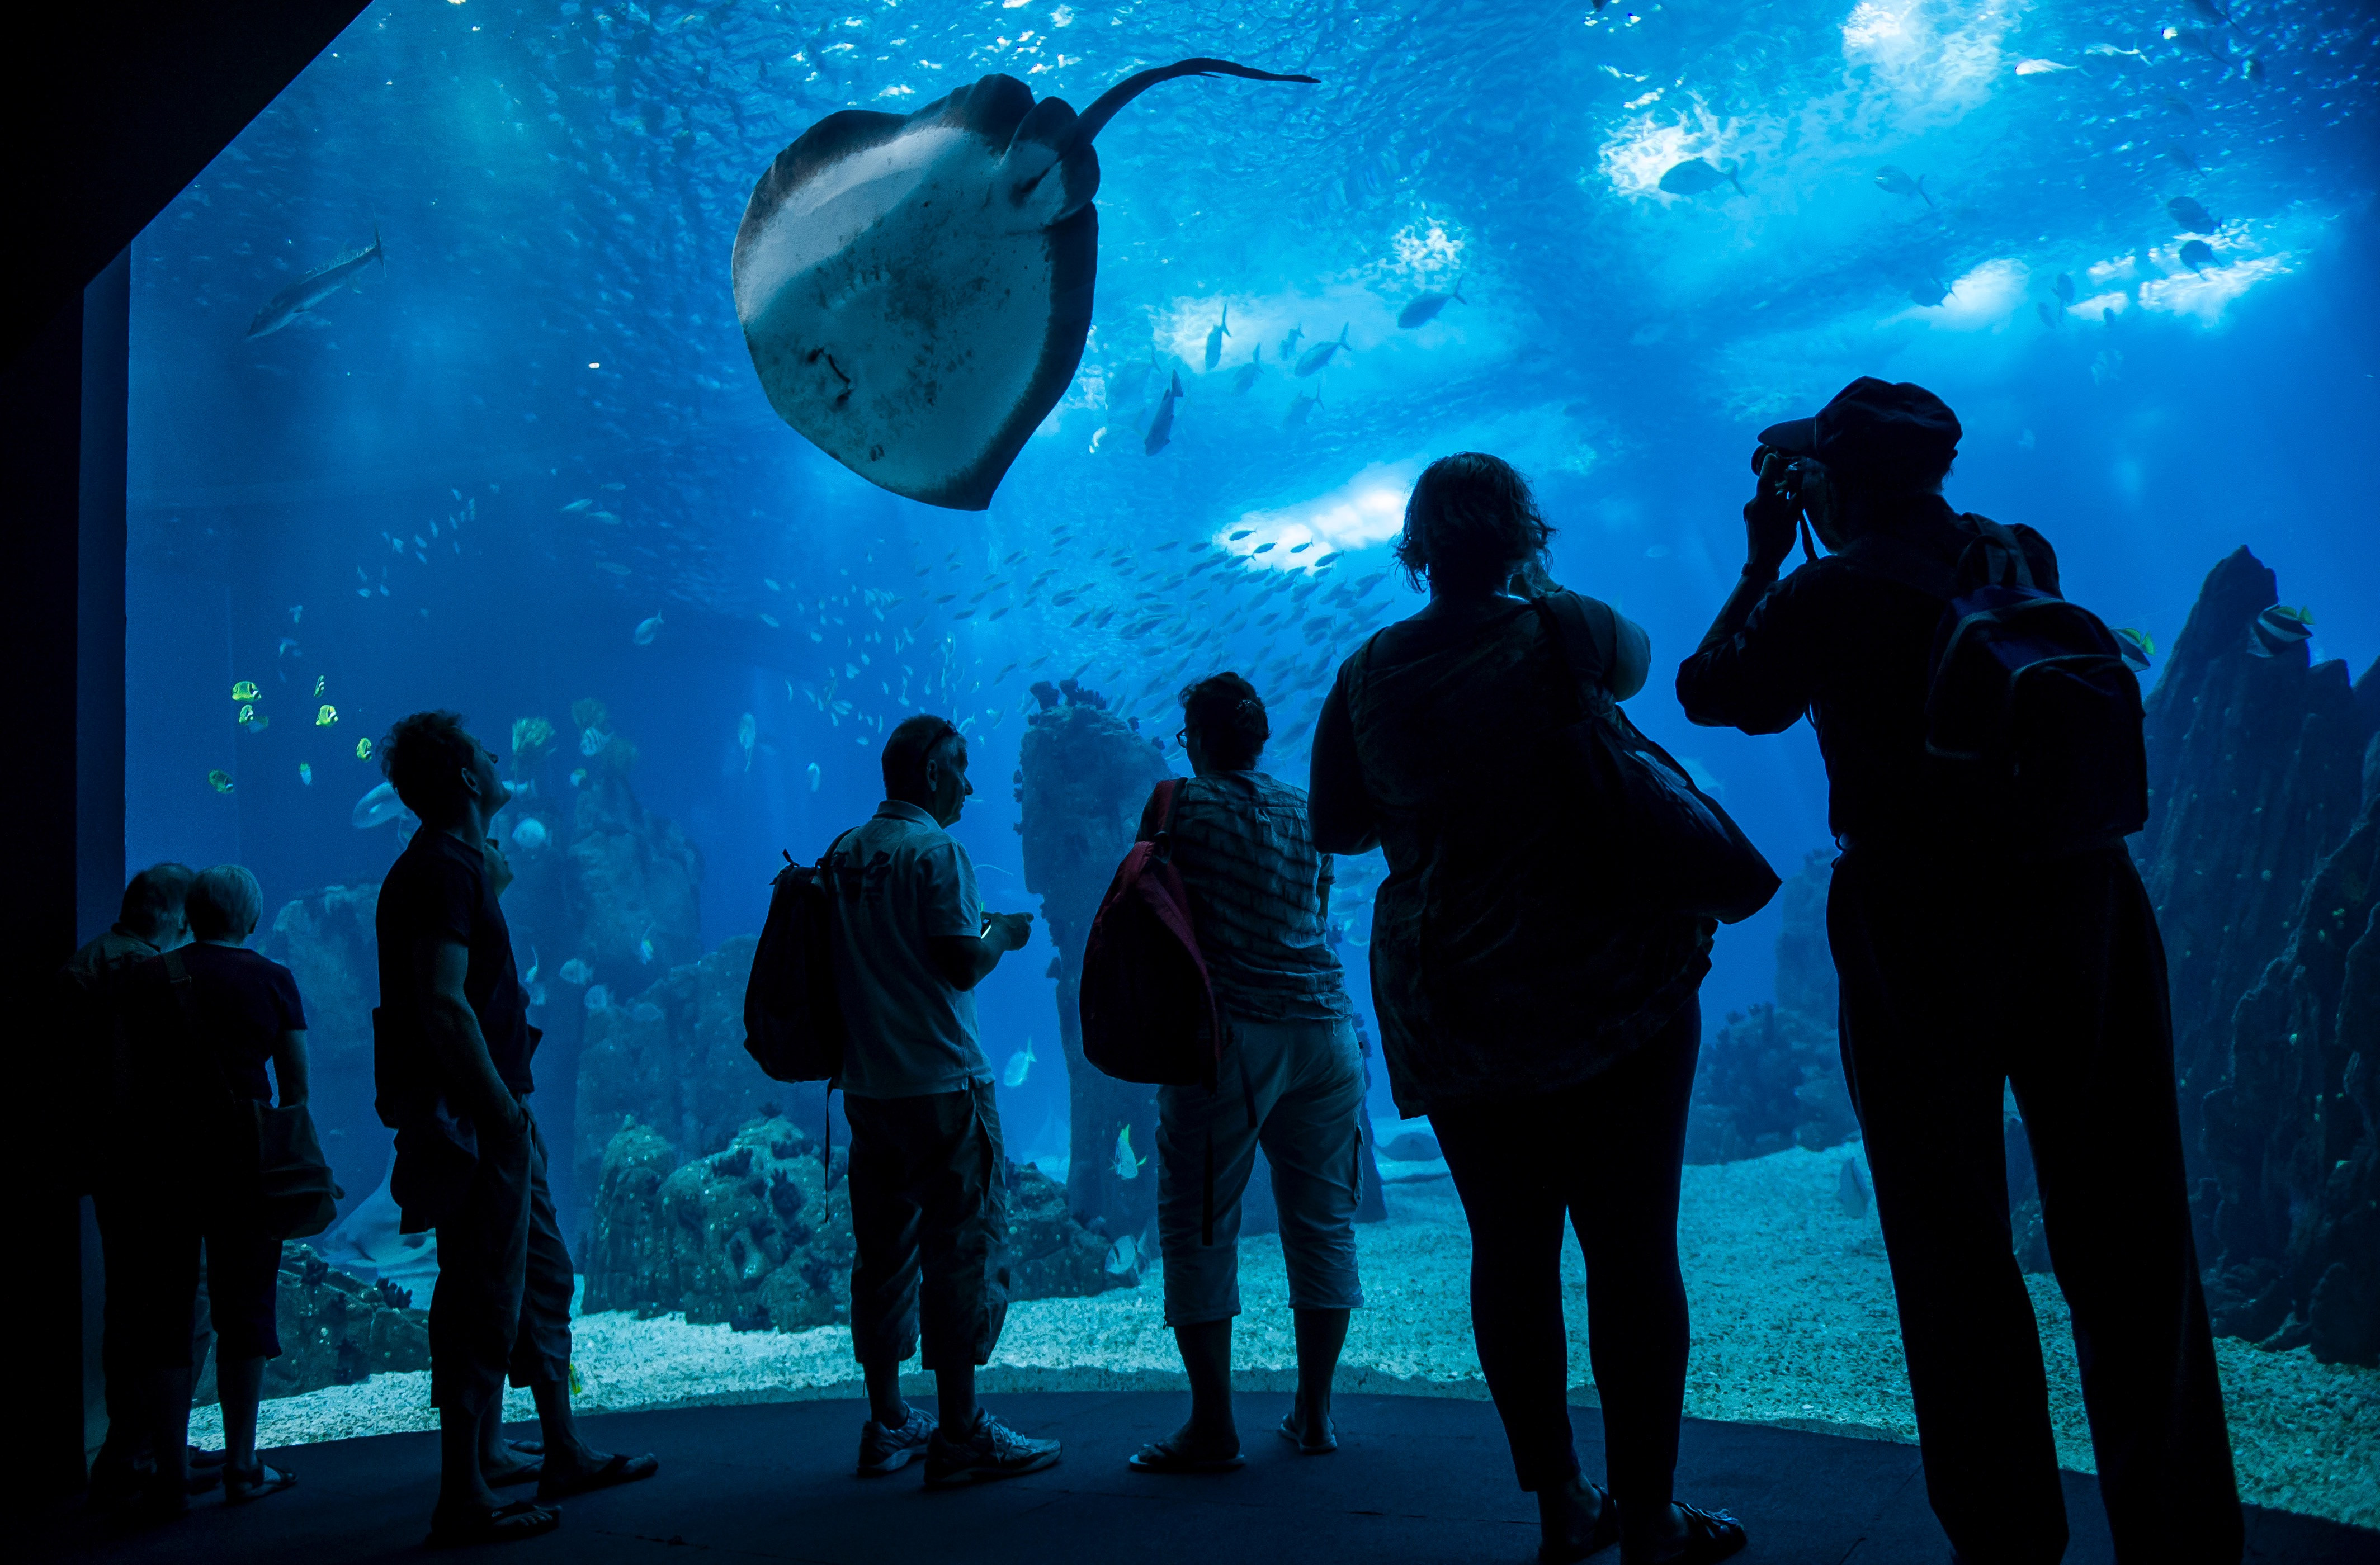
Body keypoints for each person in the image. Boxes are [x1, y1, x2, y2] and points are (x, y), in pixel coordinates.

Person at [1674, 377, 2241, 1565]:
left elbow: (1711, 689)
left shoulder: (1825, 590)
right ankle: (2182, 1533)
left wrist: (1761, 555)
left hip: (1919, 919)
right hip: (2084, 899)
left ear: (1830, 479)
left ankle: (2005, 1539)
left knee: (1952, 1241)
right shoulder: (2014, 548)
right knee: (2131, 1223)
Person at [1311, 453, 1744, 1565]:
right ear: (1521, 534)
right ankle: (1648, 1516)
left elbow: (1337, 825)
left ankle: (1561, 1505)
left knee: (1508, 1247)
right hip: (1612, 984)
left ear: (1416, 545)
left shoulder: (1363, 673)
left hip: (1452, 996)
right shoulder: (1567, 629)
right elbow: (1641, 667)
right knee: (1633, 1249)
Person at [374, 711, 657, 1547]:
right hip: (476, 1112)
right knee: (479, 1292)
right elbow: (440, 1000)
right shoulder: (442, 869)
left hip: (501, 1105)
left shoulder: (460, 865)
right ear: (466, 777)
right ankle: (460, 1493)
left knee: (539, 1274)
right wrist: (497, 1107)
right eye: (486, 751)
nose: (500, 758)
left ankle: (555, 1445)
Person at [1125, 673, 1365, 1475]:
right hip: (1328, 1031)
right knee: (1323, 1220)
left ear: (1194, 737)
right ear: (1260, 736)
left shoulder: (1177, 804)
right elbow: (1318, 906)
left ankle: (1213, 1424)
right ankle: (1316, 1412)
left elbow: (1142, 908)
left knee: (1199, 1222)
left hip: (1230, 1035)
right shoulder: (1308, 808)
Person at [829, 713, 1055, 1487]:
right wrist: (1005, 933)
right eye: (960, 766)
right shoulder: (937, 850)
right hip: (943, 1086)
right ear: (929, 771)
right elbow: (960, 961)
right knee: (960, 1249)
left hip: (869, 1090)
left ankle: (888, 1419)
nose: (969, 782)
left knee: (884, 1254)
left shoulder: (847, 852)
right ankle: (960, 1430)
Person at [111, 865, 309, 1514]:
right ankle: (243, 1463)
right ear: (251, 918)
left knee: (165, 1314)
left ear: (191, 914)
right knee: (246, 1309)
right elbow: (296, 1088)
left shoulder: (146, 978)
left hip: (160, 1165)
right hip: (245, 1163)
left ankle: (169, 1472)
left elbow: (127, 1077)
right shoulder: (273, 979)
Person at [65, 863, 225, 1507]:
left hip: (109, 1166)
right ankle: (152, 1449)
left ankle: (133, 1446)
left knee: (127, 1304)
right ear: (176, 915)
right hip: (161, 1164)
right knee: (180, 1305)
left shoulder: (81, 968)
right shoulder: (156, 974)